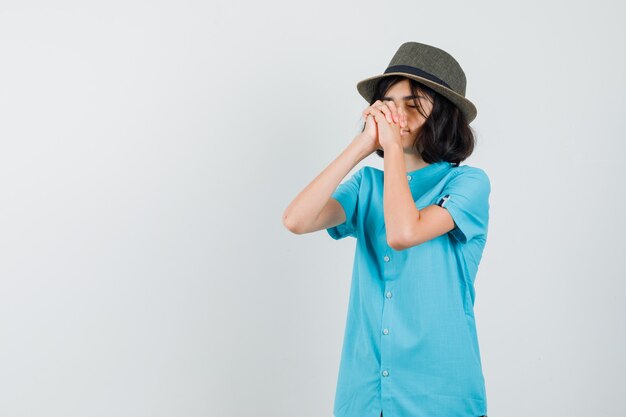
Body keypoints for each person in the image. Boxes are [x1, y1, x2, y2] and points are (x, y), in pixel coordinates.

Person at [282, 41, 490, 417]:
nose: (397, 116)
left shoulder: (467, 185)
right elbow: (296, 220)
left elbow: (403, 232)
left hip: (440, 395)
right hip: (365, 395)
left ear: (443, 117)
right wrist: (362, 145)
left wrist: (392, 149)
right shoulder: (366, 186)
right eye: (389, 104)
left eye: (412, 105)